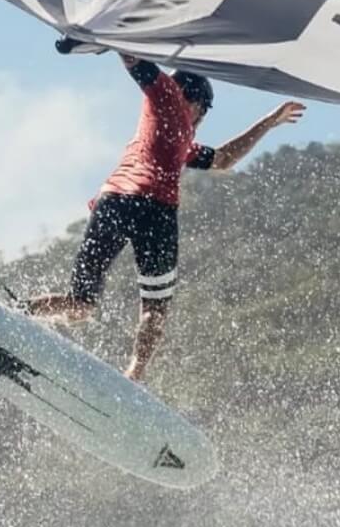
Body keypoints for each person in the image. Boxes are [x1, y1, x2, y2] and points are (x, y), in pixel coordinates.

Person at [29, 53, 305, 382]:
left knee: (80, 305)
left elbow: (223, 158)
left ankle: (19, 311)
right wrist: (108, 38)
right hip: (155, 209)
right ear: (197, 104)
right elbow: (134, 61)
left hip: (112, 202)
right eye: (202, 113)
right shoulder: (169, 94)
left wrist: (270, 122)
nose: (200, 121)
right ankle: (134, 374)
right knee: (154, 310)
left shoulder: (179, 139)